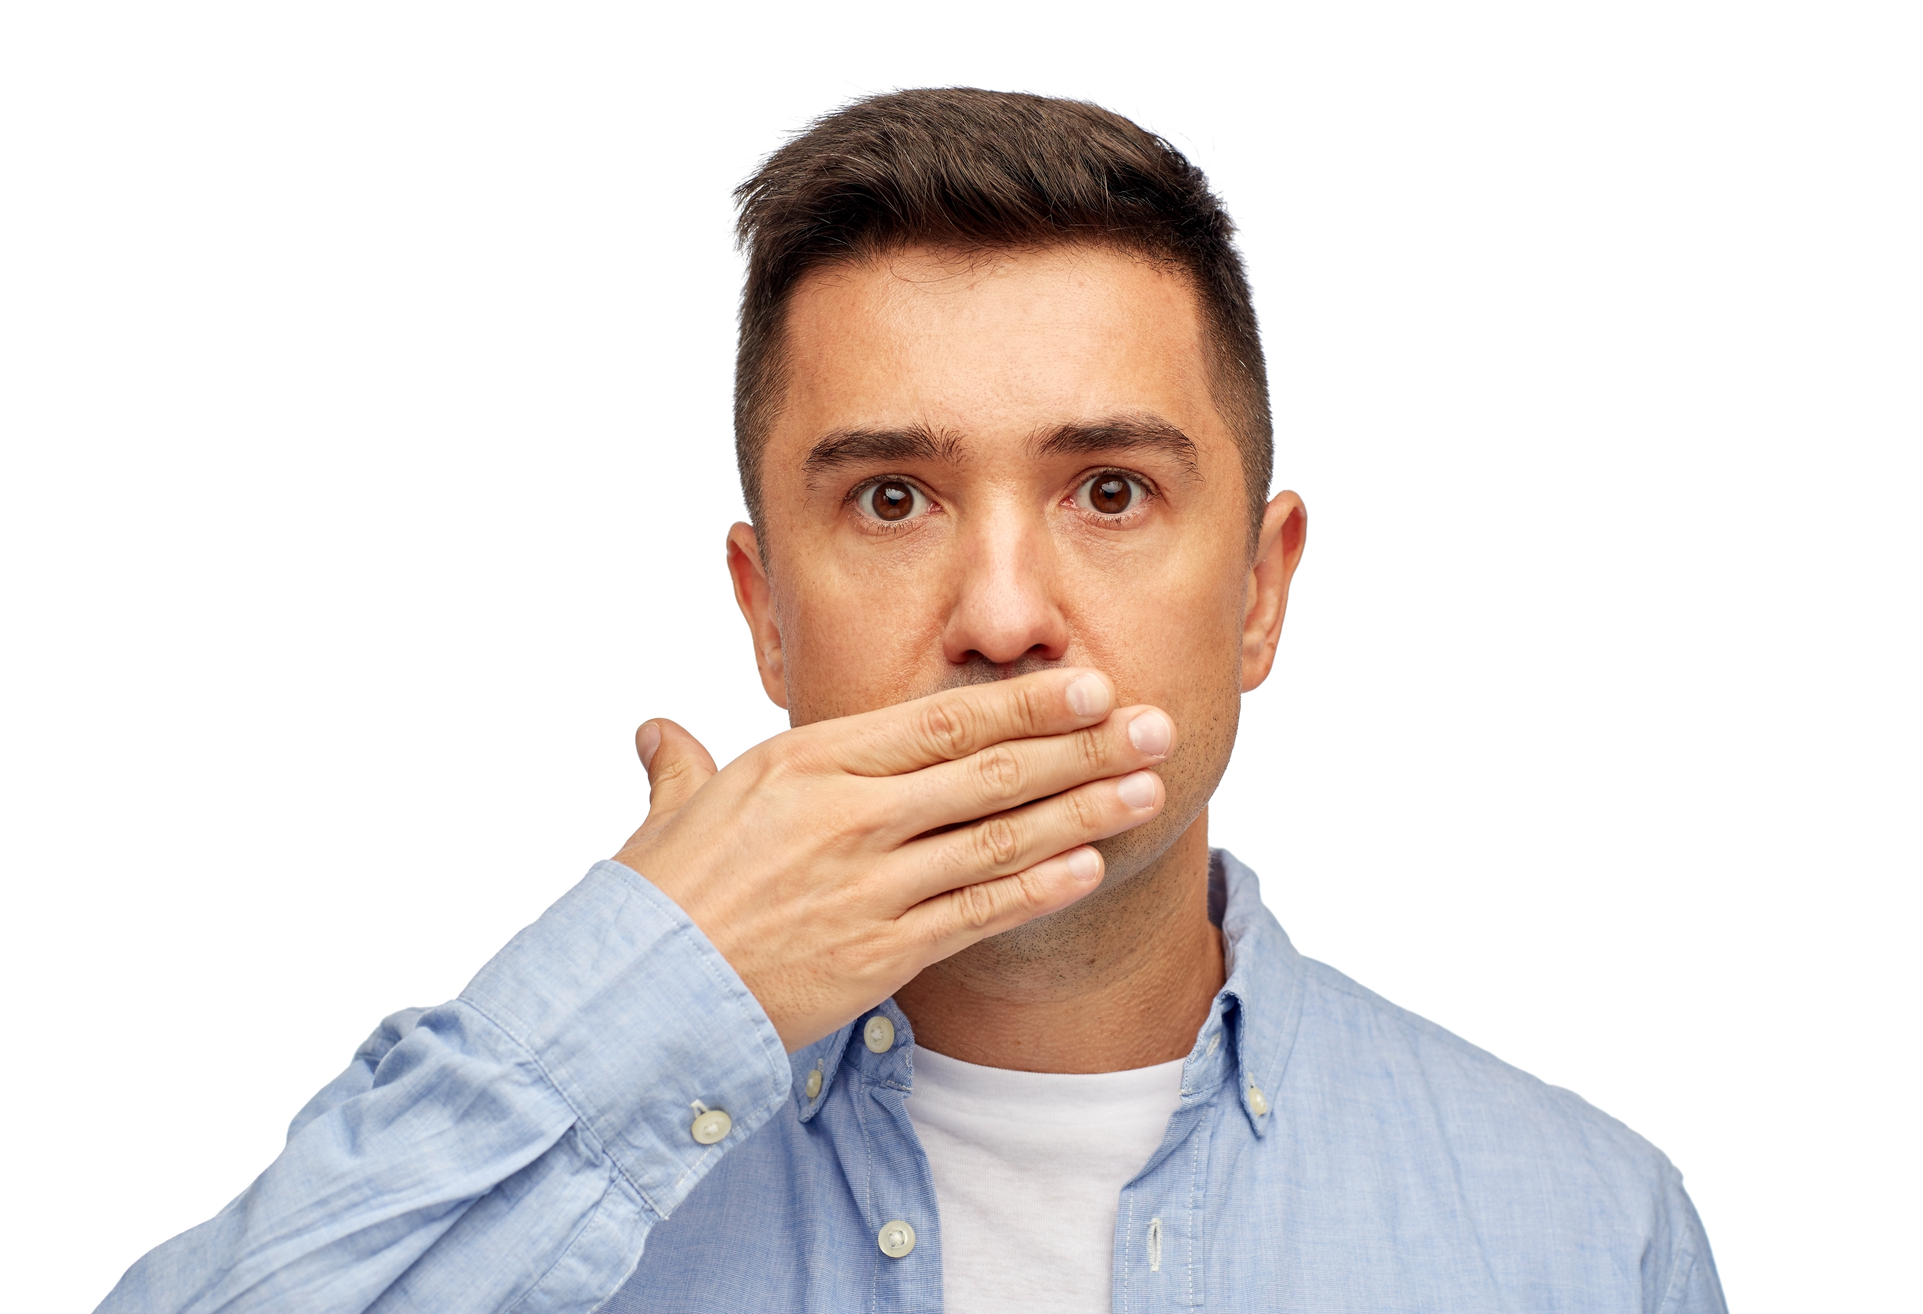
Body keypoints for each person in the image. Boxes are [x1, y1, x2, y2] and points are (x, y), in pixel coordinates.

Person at [97, 88, 1726, 1313]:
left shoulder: (1586, 1232)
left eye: (1109, 490)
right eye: (891, 498)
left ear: (1260, 590)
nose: (1007, 618)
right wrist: (639, 998)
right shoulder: (531, 1192)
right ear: (766, 619)